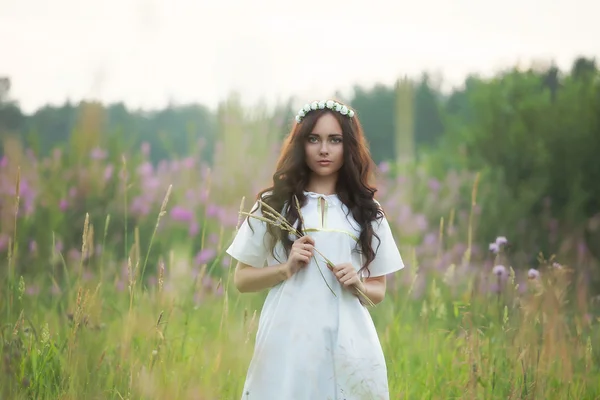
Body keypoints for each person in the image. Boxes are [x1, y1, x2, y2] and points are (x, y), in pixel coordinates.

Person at [226, 99, 405, 400]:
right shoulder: (274, 204)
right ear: (301, 144)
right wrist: (286, 268)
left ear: (348, 146)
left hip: (347, 339)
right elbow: (241, 280)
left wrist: (358, 283)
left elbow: (379, 290)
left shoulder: (366, 210)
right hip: (288, 339)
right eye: (314, 139)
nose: (324, 149)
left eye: (334, 140)